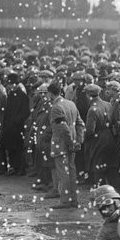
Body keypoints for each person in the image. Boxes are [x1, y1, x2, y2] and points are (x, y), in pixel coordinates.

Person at [47, 81, 85, 209]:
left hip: (62, 145)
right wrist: (78, 141)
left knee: (63, 173)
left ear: (50, 93)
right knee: (72, 172)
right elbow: (80, 124)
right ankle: (73, 199)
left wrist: (70, 143)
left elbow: (63, 128)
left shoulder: (56, 107)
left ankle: (65, 201)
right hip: (72, 143)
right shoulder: (71, 104)